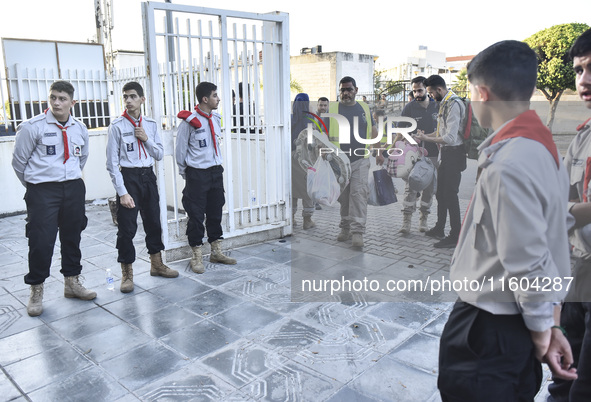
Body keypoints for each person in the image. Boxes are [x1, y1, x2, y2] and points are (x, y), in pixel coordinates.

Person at [437, 40, 573, 401]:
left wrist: (543, 329)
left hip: (487, 333)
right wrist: (550, 323)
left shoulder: (509, 163)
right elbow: (548, 241)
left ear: (481, 93)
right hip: (509, 330)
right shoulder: (542, 146)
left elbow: (526, 260)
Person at [12, 80, 96, 316]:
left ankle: (72, 283)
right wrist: (37, 186)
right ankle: (36, 290)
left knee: (72, 237)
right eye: (53, 98)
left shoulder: (80, 128)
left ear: (72, 102)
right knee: (41, 240)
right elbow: (19, 163)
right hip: (43, 191)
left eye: (62, 98)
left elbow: (82, 158)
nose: (57, 103)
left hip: (73, 188)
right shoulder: (32, 127)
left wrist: (69, 181)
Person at [548, 27, 591, 401]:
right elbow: (557, 201)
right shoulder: (582, 136)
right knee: (565, 377)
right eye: (579, 70)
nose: (584, 80)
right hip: (578, 274)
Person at [106, 82, 179, 293]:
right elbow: (111, 164)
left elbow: (157, 154)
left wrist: (145, 139)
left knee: (154, 222)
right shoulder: (117, 126)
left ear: (142, 100)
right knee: (127, 228)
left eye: (132, 96)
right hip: (129, 178)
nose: (128, 100)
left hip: (148, 176)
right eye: (125, 97)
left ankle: (156, 264)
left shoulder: (151, 124)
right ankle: (127, 272)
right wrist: (122, 192)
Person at [176, 81, 237, 274]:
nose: (218, 99)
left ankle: (216, 250)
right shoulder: (189, 121)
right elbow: (180, 150)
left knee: (215, 210)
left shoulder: (216, 118)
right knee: (195, 215)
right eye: (215, 95)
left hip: (215, 171)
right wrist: (186, 172)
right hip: (197, 173)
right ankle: (196, 255)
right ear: (205, 99)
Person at [415, 75, 466, 248]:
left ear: (439, 89)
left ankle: (455, 235)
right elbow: (439, 133)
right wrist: (423, 136)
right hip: (446, 154)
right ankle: (439, 228)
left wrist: (427, 140)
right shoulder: (444, 103)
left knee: (450, 195)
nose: (430, 96)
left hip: (454, 153)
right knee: (441, 194)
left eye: (430, 93)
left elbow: (450, 138)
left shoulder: (454, 104)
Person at [329, 76, 380, 248]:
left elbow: (373, 130)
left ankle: (357, 232)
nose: (345, 93)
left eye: (349, 89)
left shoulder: (364, 107)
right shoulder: (333, 108)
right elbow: (322, 132)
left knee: (358, 195)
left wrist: (379, 151)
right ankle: (345, 228)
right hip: (339, 161)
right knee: (343, 198)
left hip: (360, 160)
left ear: (356, 90)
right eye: (342, 90)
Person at [396, 76, 439, 234]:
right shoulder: (409, 108)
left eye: (419, 90)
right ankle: (406, 222)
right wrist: (395, 148)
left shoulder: (437, 106)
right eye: (414, 91)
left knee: (429, 188)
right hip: (413, 155)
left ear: (427, 89)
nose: (417, 94)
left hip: (434, 155)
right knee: (410, 188)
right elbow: (400, 131)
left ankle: (424, 220)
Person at [291, 93, 316, 229]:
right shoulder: (310, 120)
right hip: (305, 158)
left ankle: (292, 218)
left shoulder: (290, 119)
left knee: (293, 189)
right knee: (308, 189)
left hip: (291, 157)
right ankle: (307, 220)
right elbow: (312, 143)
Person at [314, 97, 330, 211]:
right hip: (315, 151)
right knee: (316, 176)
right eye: (321, 105)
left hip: (327, 151)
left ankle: (324, 197)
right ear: (317, 106)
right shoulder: (313, 118)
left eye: (325, 105)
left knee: (325, 175)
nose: (323, 107)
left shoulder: (330, 118)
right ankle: (315, 200)